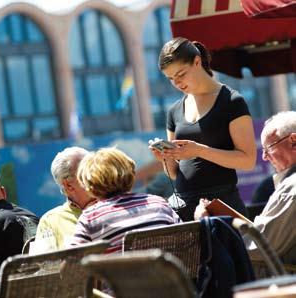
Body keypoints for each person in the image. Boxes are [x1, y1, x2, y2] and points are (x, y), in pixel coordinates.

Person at [150, 37, 256, 221]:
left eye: (181, 74)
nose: (177, 83)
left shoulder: (231, 101)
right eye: (170, 78)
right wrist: (164, 158)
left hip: (222, 204)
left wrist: (199, 150)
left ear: (197, 62)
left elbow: (248, 160)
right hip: (185, 208)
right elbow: (174, 173)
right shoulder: (174, 110)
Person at [195, 111, 296, 264]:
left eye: (268, 148)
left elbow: (258, 246)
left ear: (293, 141)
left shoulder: (291, 188)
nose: (264, 157)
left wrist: (207, 224)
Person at [70, 147, 181, 254]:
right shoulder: (158, 203)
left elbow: (70, 263)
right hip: (166, 272)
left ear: (89, 184)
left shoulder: (90, 218)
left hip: (119, 273)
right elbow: (184, 241)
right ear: (130, 173)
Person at [35, 147, 93, 251]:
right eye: (88, 171)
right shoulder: (50, 222)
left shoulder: (113, 206)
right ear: (68, 185)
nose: (97, 174)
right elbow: (44, 266)